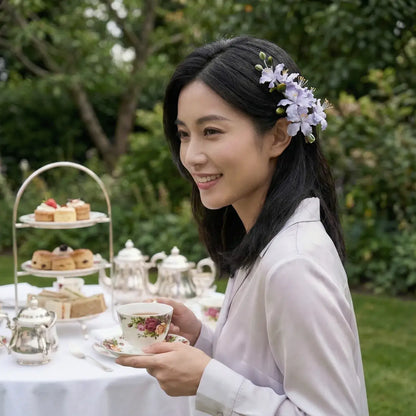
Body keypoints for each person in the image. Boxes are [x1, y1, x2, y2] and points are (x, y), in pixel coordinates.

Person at [116, 36, 369, 416]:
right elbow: (269, 378)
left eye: (211, 131)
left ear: (279, 135)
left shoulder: (294, 264)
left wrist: (207, 382)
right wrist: (201, 342)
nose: (191, 156)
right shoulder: (265, 239)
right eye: (184, 134)